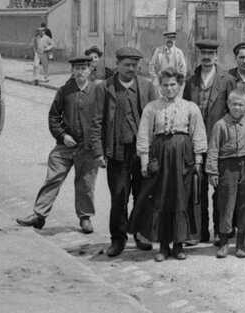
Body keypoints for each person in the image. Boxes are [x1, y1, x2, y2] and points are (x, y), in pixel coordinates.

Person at [129, 68, 207, 261]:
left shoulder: (190, 107)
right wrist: (145, 161)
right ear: (160, 86)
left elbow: (198, 134)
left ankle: (179, 245)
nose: (169, 89)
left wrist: (197, 160)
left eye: (173, 84)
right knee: (161, 199)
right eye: (165, 85)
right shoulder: (152, 108)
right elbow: (144, 135)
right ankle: (163, 246)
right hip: (160, 155)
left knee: (181, 198)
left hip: (183, 156)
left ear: (180, 86)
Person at [16, 55, 100, 233]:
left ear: (90, 70)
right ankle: (39, 215)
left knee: (86, 184)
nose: (80, 72)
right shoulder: (64, 91)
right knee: (53, 178)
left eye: (84, 68)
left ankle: (85, 218)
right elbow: (53, 117)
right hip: (65, 146)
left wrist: (99, 148)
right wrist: (63, 136)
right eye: (77, 68)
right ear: (72, 71)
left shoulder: (98, 92)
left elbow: (104, 120)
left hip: (88, 147)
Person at [90, 47, 159, 258]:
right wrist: (98, 152)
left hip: (142, 152)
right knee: (119, 197)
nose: (131, 69)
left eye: (134, 65)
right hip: (117, 151)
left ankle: (140, 233)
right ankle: (118, 239)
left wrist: (154, 152)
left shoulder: (147, 87)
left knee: (142, 195)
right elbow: (96, 122)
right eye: (127, 65)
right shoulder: (104, 88)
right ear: (117, 64)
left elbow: (156, 120)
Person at [183, 39, 235, 244]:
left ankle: (221, 232)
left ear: (216, 56)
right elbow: (187, 110)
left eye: (210, 53)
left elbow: (234, 111)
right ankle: (198, 232)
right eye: (203, 53)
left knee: (221, 188)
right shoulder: (191, 81)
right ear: (199, 56)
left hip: (220, 142)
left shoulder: (227, 80)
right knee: (197, 187)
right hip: (196, 142)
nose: (206, 57)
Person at [206, 92, 245, 258]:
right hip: (227, 166)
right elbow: (213, 149)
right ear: (228, 105)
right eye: (234, 104)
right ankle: (224, 241)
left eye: (241, 105)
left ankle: (240, 243)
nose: (237, 108)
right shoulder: (220, 125)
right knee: (226, 203)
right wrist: (212, 171)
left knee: (243, 203)